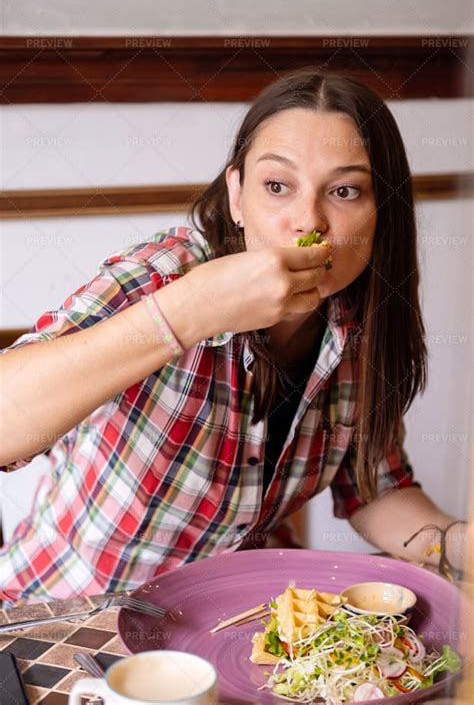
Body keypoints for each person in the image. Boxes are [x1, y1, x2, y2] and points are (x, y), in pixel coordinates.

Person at [0, 67, 467, 606]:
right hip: (65, 616)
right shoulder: (165, 274)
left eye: (344, 190)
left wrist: (459, 545)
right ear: (237, 196)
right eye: (277, 186)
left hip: (236, 625)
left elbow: (377, 490)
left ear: (382, 212)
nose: (307, 219)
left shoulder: (360, 325)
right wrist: (190, 311)